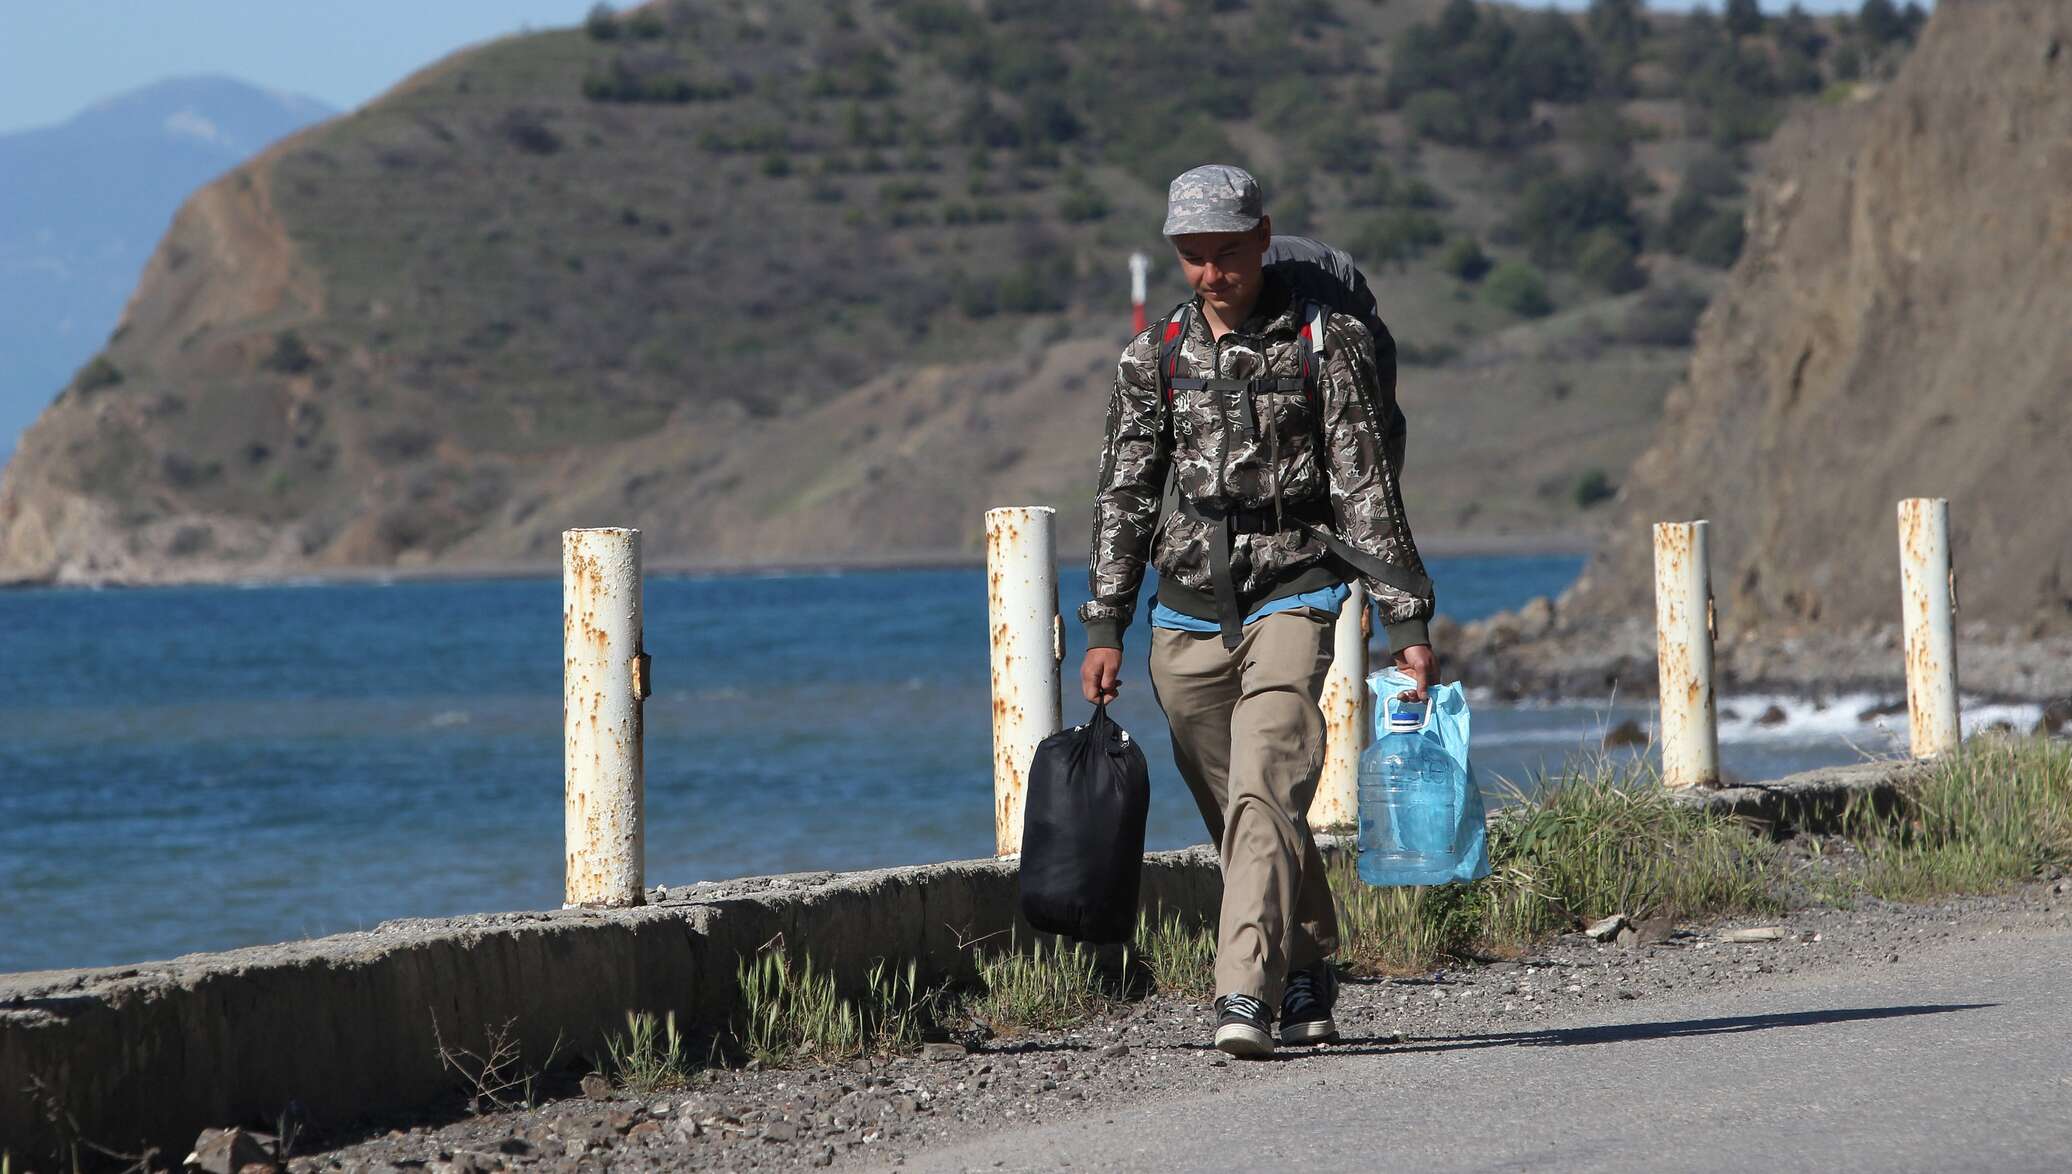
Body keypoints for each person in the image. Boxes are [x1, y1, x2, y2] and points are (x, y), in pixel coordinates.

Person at [1078, 164, 1438, 1059]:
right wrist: (1104, 623)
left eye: (1227, 253)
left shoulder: (1328, 342)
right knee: (1248, 814)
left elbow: (1365, 484)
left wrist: (1407, 623)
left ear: (1263, 236)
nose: (1211, 273)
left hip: (1299, 587)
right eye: (1193, 258)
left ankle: (1243, 993)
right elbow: (1125, 490)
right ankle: (1309, 962)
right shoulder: (1153, 355)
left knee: (1265, 779)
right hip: (1185, 611)